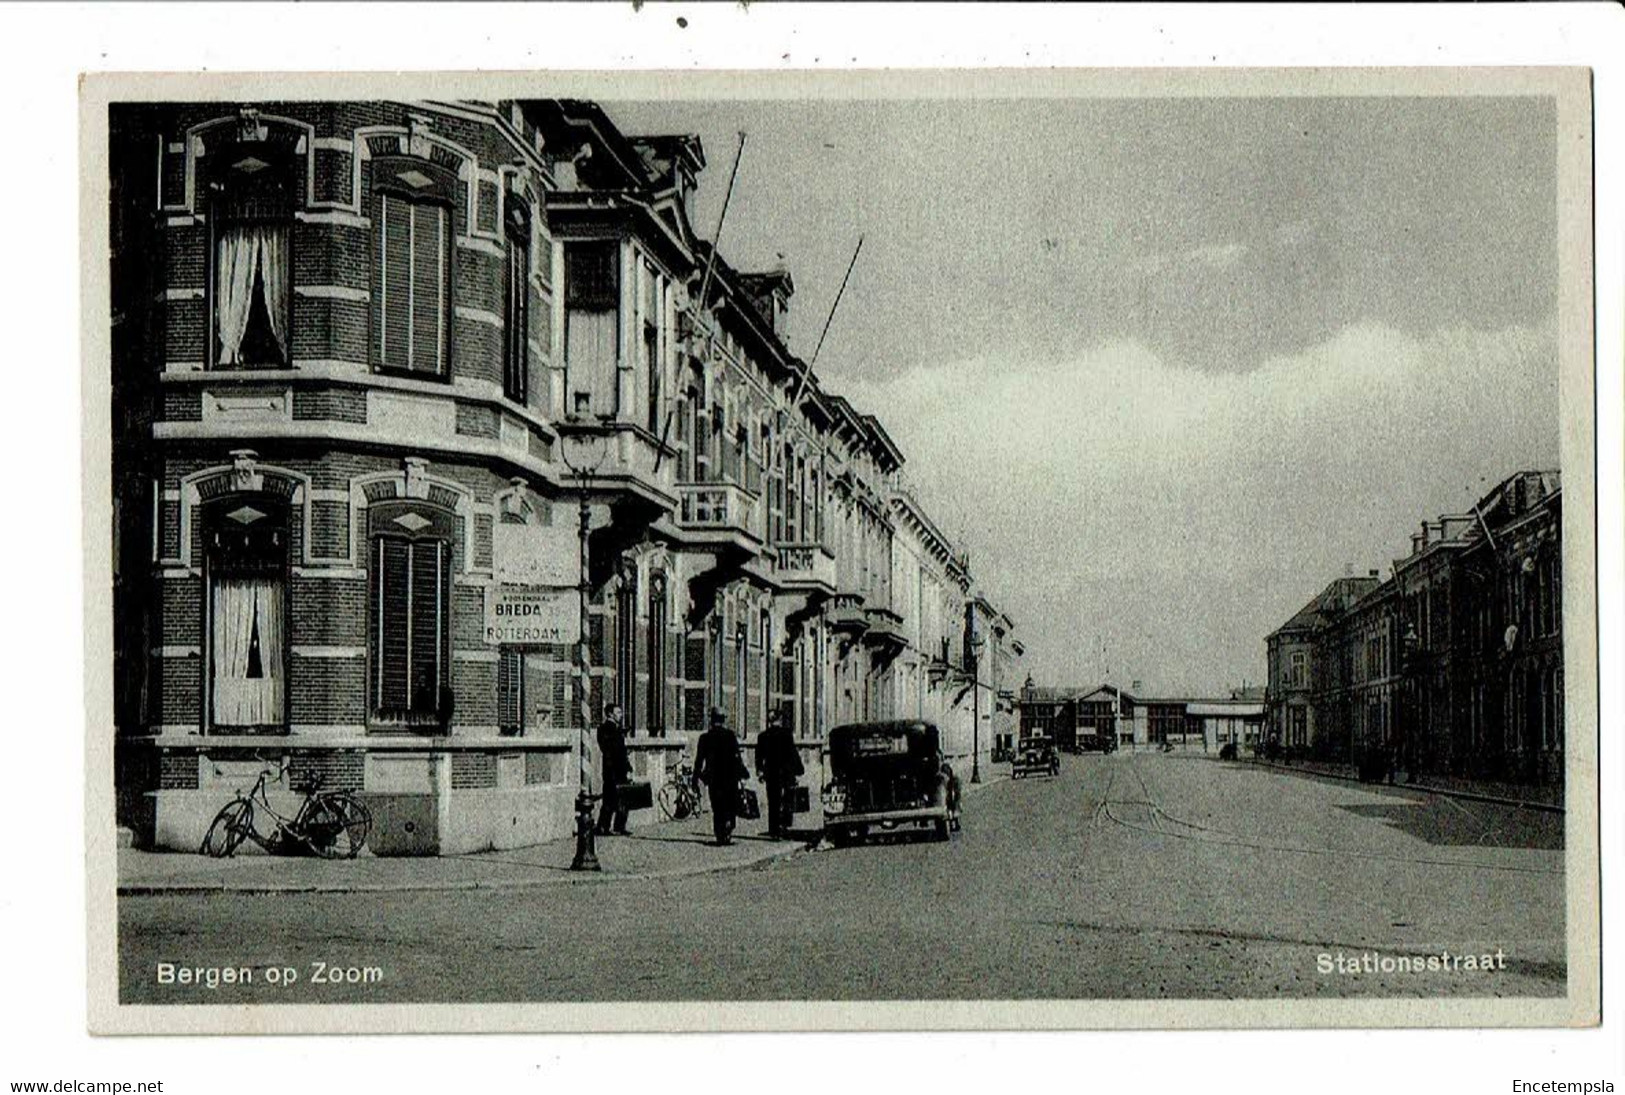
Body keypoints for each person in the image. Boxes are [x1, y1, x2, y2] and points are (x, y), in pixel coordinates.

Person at [694, 708, 746, 846]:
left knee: (717, 806)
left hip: (714, 778)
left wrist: (696, 777)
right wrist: (743, 773)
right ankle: (729, 826)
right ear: (723, 720)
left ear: (711, 720)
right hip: (730, 777)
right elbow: (737, 757)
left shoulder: (705, 738)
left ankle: (719, 834)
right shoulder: (730, 736)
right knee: (730, 804)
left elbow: (699, 760)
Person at [754, 710, 804, 839]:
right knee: (787, 798)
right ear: (779, 720)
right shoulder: (786, 734)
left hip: (771, 773)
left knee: (773, 801)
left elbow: (759, 756)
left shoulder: (763, 736)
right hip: (786, 772)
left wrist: (760, 771)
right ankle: (784, 825)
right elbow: (793, 753)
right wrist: (799, 770)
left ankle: (774, 830)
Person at [595, 703, 630, 835]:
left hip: (618, 769)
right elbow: (609, 751)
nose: (621, 715)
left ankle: (616, 826)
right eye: (618, 712)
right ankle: (605, 827)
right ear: (610, 714)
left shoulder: (616, 729)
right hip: (613, 770)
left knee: (620, 799)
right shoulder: (606, 729)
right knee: (610, 799)